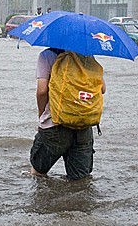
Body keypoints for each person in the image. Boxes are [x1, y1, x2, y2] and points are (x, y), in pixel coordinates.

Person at [28, 48, 106, 180]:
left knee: (38, 173)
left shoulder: (47, 55)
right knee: (80, 180)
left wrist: (42, 116)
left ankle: (41, 200)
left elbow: (42, 91)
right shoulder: (87, 55)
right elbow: (102, 89)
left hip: (54, 126)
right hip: (83, 126)